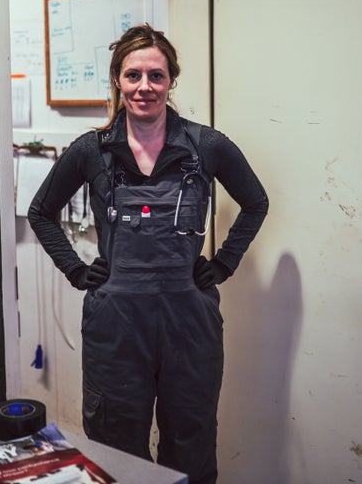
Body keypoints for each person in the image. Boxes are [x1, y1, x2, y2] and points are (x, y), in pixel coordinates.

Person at [27, 24, 268, 484]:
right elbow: (41, 211)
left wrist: (223, 263)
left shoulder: (207, 146)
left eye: (156, 76)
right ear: (117, 79)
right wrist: (76, 271)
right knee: (116, 450)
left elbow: (256, 202)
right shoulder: (91, 151)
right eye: (133, 75)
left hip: (189, 325)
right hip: (116, 327)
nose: (144, 88)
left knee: (190, 448)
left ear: (171, 81)